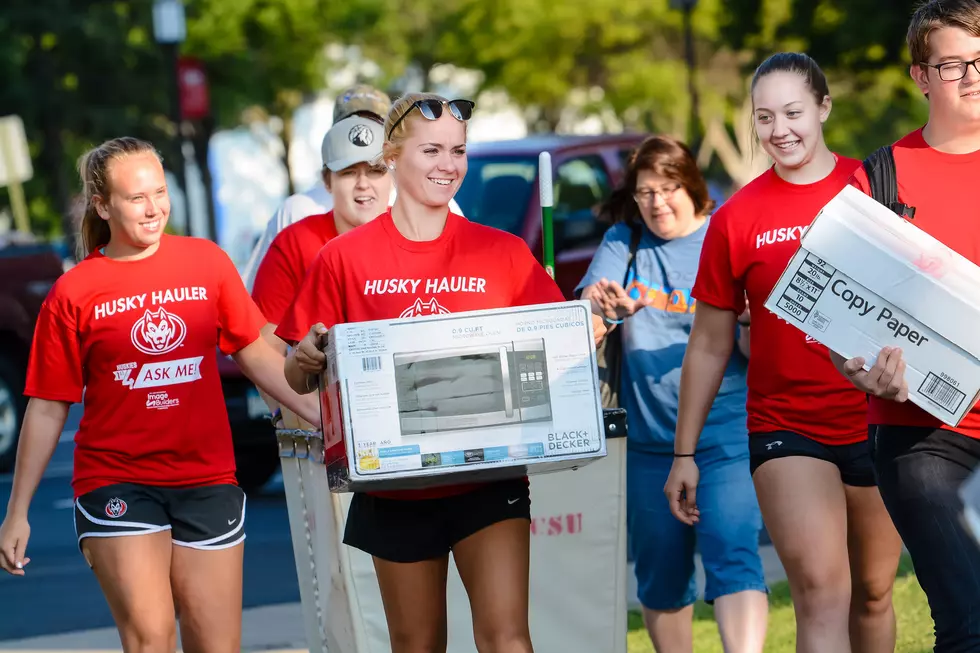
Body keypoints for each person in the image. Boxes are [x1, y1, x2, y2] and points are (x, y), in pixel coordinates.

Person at [274, 92, 606, 653]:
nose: (448, 165)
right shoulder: (343, 258)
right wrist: (306, 357)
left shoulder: (500, 251)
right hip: (393, 490)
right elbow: (297, 375)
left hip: (488, 480)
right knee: (418, 645)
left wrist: (594, 326)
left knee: (507, 640)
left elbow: (559, 346)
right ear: (393, 156)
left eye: (458, 151)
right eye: (431, 150)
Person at [0, 137, 320, 653]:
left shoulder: (206, 263)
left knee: (216, 644)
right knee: (150, 639)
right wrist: (18, 511)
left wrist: (324, 418)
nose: (154, 209)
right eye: (136, 198)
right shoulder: (75, 292)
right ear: (103, 206)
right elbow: (47, 403)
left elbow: (255, 354)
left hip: (207, 477)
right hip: (116, 479)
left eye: (160, 193)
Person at [664, 52, 903, 653]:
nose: (779, 131)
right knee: (822, 591)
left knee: (873, 594)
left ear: (824, 107)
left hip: (880, 423)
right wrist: (684, 453)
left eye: (793, 112)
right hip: (787, 427)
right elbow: (710, 343)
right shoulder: (737, 218)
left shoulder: (873, 188)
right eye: (764, 117)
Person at [577, 135, 767, 653]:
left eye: (668, 189)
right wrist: (606, 313)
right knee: (661, 577)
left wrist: (748, 319)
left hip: (725, 434)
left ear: (692, 187)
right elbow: (588, 320)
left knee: (733, 557)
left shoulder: (724, 233)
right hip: (649, 441)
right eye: (645, 193)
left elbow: (756, 340)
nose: (657, 203)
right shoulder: (624, 242)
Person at [830, 2, 980, 650]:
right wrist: (860, 365)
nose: (973, 76)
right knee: (968, 620)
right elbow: (838, 325)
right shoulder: (880, 178)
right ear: (921, 76)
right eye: (953, 65)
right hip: (921, 436)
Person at [242, 84, 461, 292]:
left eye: (376, 127)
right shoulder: (297, 211)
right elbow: (258, 306)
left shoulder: (434, 201)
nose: (362, 137)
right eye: (351, 128)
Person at [251, 113, 391, 354]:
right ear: (327, 182)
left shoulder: (420, 234)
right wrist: (309, 394)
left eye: (376, 170)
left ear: (393, 175)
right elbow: (264, 353)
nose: (363, 183)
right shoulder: (295, 242)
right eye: (348, 172)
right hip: (317, 391)